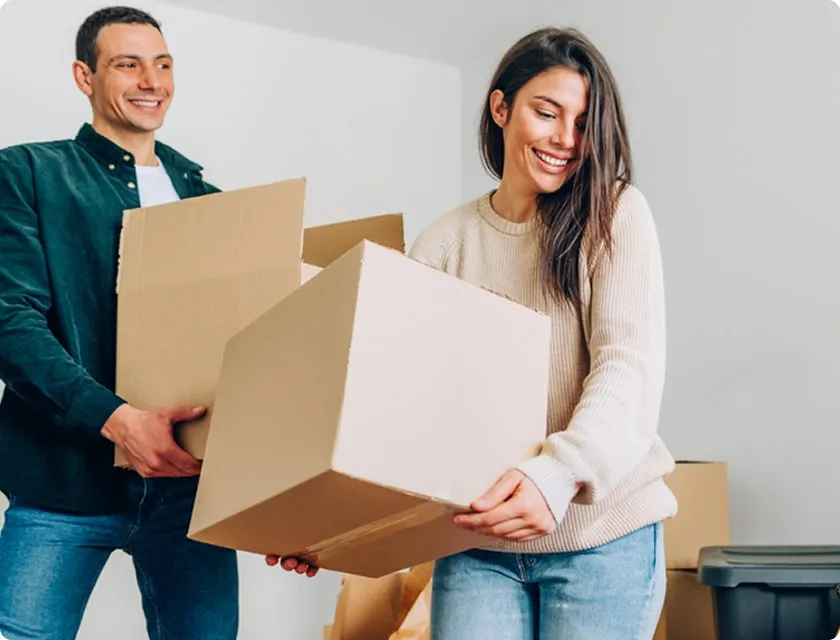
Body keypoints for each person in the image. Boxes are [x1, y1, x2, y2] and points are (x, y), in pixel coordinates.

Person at [273, 26, 678, 639]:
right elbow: (400, 405)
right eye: (547, 112)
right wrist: (329, 526)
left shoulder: (616, 214)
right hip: (476, 545)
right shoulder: (445, 241)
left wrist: (556, 476)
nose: (566, 140)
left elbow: (629, 370)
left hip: (601, 540)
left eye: (583, 123)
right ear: (501, 107)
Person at [0, 6, 238, 639]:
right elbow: (10, 324)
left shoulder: (212, 201)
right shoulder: (24, 173)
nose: (150, 81)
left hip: (189, 493)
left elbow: (241, 348)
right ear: (85, 76)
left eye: (162, 65)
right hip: (61, 483)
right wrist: (117, 421)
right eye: (127, 64)